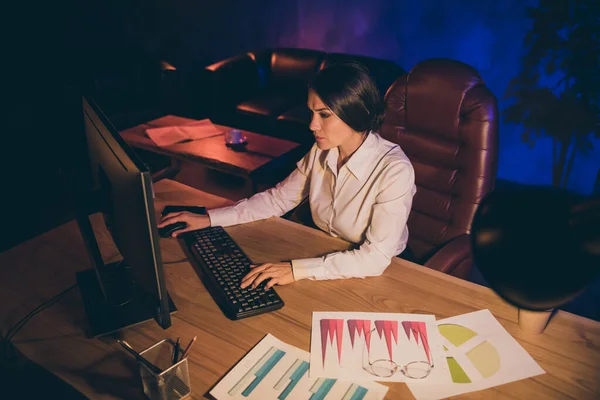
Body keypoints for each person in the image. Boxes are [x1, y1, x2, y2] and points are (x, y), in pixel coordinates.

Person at [158, 62, 416, 290]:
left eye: (324, 115)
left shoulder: (394, 170)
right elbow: (278, 200)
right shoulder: (321, 151)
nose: (312, 125)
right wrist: (210, 219)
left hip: (381, 272)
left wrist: (295, 270)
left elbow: (375, 259)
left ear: (356, 114)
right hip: (326, 251)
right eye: (311, 113)